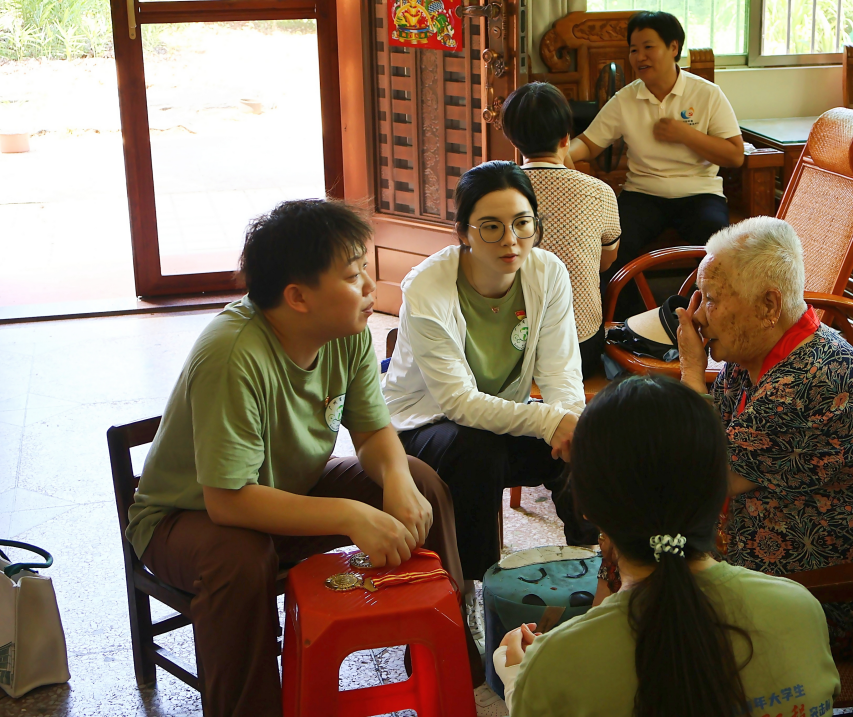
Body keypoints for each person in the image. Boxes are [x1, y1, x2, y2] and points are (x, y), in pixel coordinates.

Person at [125, 199, 483, 717]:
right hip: (188, 518)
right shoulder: (233, 354)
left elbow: (372, 432)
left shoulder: (347, 332)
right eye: (352, 276)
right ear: (297, 296)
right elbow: (227, 502)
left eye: (365, 269)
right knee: (239, 557)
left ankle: (447, 663)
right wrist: (350, 515)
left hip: (288, 492)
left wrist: (398, 480)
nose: (369, 286)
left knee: (421, 482)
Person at [491, 375, 841, 716]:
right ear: (718, 493)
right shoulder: (799, 610)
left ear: (587, 510)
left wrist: (518, 682)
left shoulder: (557, 664)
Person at [675, 216, 853, 659]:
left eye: (710, 299)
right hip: (777, 574)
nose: (695, 316)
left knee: (662, 619)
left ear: (769, 305)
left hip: (846, 596)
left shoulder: (812, 379)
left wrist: (692, 372)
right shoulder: (753, 357)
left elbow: (707, 475)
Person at [382, 160, 597, 653]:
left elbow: (562, 374)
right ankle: (475, 594)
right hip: (423, 428)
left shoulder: (547, 271)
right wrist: (550, 419)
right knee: (477, 450)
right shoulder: (427, 286)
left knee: (581, 438)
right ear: (463, 233)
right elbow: (458, 403)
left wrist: (570, 426)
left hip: (498, 422)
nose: (511, 241)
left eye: (523, 224)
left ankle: (594, 568)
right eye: (491, 227)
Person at [568, 10, 744, 314]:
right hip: (643, 193)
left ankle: (708, 318)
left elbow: (734, 154)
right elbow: (588, 143)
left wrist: (685, 134)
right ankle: (624, 321)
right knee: (612, 243)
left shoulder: (706, 94)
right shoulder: (625, 99)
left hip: (700, 193)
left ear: (673, 47)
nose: (639, 57)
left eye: (648, 47)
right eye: (634, 50)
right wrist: (559, 154)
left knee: (718, 248)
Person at [501, 82, 621, 378]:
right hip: (579, 350)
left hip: (506, 351)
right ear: (566, 138)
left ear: (512, 139)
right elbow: (606, 262)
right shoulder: (599, 193)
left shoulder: (494, 193)